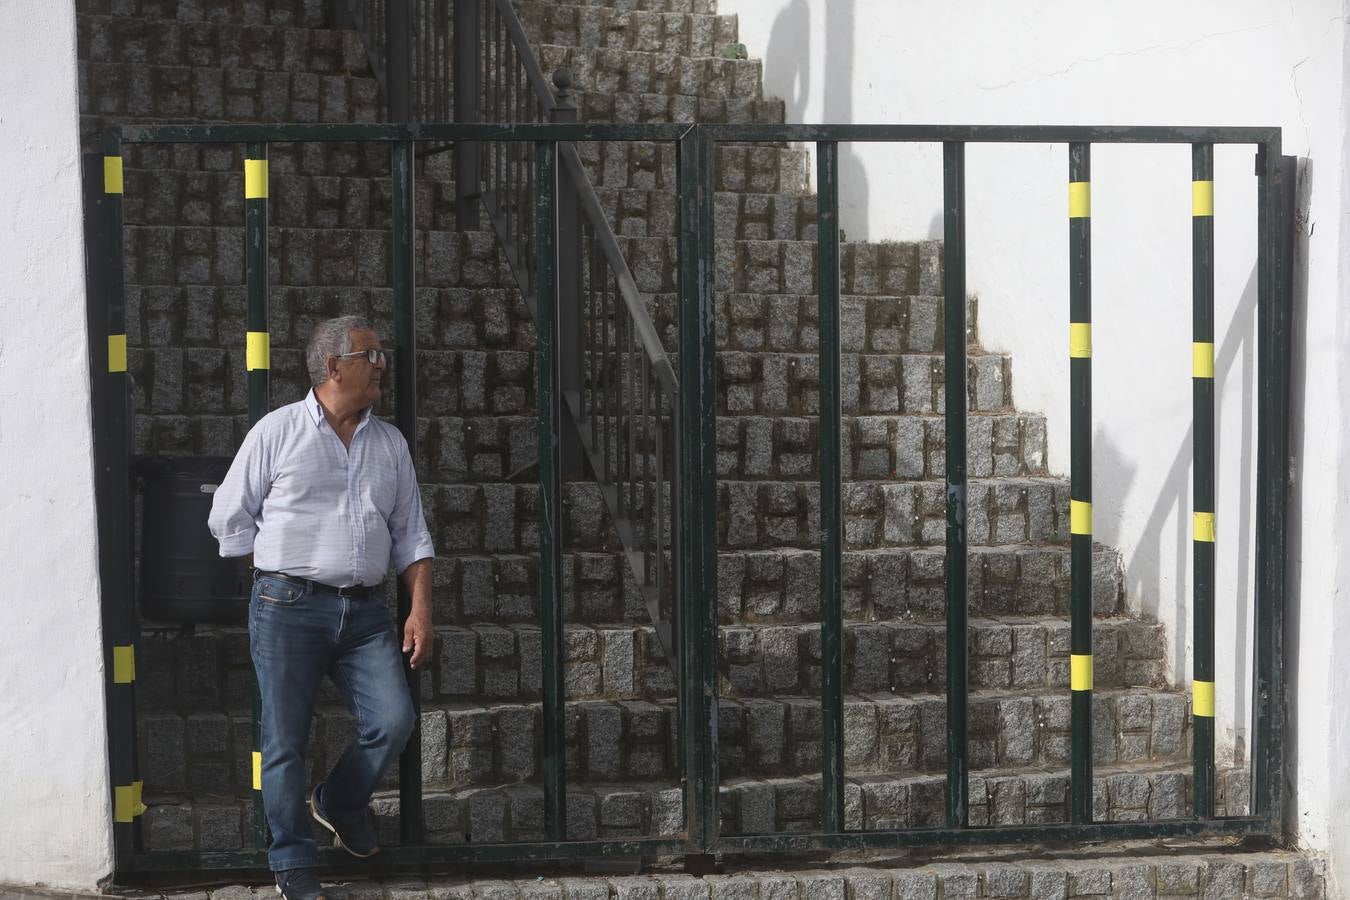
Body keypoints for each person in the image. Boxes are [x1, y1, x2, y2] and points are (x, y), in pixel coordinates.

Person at [208, 315, 435, 900]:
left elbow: (411, 533)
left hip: (364, 613)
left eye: (382, 354)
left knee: (393, 719)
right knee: (284, 740)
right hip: (287, 605)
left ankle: (338, 800)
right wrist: (269, 574)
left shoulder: (389, 444)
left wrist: (419, 608)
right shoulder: (277, 432)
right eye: (372, 355)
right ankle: (294, 866)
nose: (382, 365)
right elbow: (228, 517)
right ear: (334, 366)